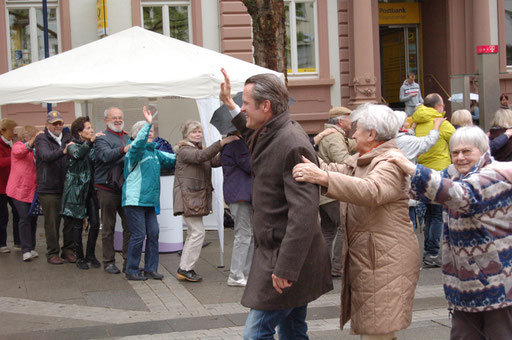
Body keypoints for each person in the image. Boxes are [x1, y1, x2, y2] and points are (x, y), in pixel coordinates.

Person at [220, 68, 333, 339]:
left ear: (266, 106)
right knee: (293, 329)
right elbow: (253, 138)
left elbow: (304, 214)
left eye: (246, 103)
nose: (243, 108)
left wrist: (286, 268)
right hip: (283, 255)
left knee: (256, 334)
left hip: (284, 259)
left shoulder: (291, 143)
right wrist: (230, 105)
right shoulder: (273, 130)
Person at [293, 103, 420, 340]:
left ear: (372, 134)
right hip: (375, 257)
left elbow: (372, 190)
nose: (352, 134)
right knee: (375, 330)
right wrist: (306, 156)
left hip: (385, 259)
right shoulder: (365, 158)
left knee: (377, 330)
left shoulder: (389, 162)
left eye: (357, 129)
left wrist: (324, 177)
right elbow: (337, 168)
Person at [388, 126, 512, 340]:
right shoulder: (454, 173)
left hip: (497, 283)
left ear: (483, 152)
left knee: (499, 335)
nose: (460, 157)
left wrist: (409, 166)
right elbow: (420, 188)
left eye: (466, 151)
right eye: (455, 152)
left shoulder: (493, 177)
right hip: (464, 284)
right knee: (462, 336)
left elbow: (460, 195)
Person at [173, 120, 237, 282]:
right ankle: (185, 268)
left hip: (194, 198)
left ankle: (185, 268)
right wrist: (221, 143)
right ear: (186, 135)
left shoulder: (197, 150)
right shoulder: (184, 150)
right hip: (188, 198)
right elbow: (202, 157)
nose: (198, 134)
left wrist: (228, 146)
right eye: (194, 132)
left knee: (193, 233)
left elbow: (214, 161)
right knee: (198, 232)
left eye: (199, 132)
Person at [123, 108, 176, 281]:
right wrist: (147, 124)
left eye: (152, 131)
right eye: (147, 131)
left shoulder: (155, 152)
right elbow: (138, 144)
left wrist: (192, 150)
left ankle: (150, 269)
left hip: (150, 201)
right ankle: (131, 269)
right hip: (135, 200)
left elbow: (173, 158)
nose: (151, 133)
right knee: (138, 235)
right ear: (137, 135)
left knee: (153, 234)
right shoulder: (134, 152)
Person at [412, 93, 455, 268]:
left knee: (429, 215)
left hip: (421, 171)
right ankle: (432, 253)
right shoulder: (441, 123)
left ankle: (428, 253)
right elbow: (457, 140)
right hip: (440, 171)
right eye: (443, 105)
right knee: (437, 215)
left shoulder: (415, 122)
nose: (444, 108)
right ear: (437, 107)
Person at [316, 106, 356, 278]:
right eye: (349, 118)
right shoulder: (334, 137)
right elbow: (343, 162)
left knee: (328, 230)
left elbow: (348, 145)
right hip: (332, 190)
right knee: (343, 227)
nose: (351, 122)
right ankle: (337, 266)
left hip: (324, 192)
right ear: (340, 121)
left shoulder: (335, 135)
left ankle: (323, 267)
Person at [61, 117, 103, 270]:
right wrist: (90, 142)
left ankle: (90, 254)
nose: (91, 131)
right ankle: (80, 257)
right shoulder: (71, 145)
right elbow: (78, 154)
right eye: (88, 128)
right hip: (77, 190)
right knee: (77, 224)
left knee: (95, 223)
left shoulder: (92, 145)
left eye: (92, 128)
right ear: (79, 132)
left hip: (91, 190)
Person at [34, 111, 75, 265]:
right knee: (52, 222)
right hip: (49, 188)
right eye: (54, 123)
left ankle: (68, 250)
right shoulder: (41, 138)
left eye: (60, 123)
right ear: (47, 125)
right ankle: (52, 252)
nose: (58, 126)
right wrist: (64, 150)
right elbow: (46, 156)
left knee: (70, 219)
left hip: (67, 186)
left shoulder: (67, 137)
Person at [94, 107, 131, 274]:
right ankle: (108, 261)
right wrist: (124, 150)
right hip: (106, 188)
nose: (117, 120)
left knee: (129, 226)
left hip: (125, 188)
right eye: (114, 117)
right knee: (108, 227)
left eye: (120, 117)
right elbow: (105, 156)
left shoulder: (127, 136)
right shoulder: (101, 138)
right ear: (106, 120)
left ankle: (129, 261)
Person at [394, 111, 444, 230]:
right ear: (400, 125)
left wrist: (412, 128)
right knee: (408, 227)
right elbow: (428, 141)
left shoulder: (391, 138)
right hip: (404, 186)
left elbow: (406, 137)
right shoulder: (406, 141)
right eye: (406, 121)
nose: (408, 122)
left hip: (393, 185)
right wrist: (436, 126)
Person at [221, 131, 254, 287]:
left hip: (242, 195)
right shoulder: (236, 144)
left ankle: (245, 273)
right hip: (240, 196)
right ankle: (236, 275)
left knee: (249, 235)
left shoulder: (236, 143)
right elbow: (250, 165)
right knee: (244, 235)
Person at [6, 126, 43, 261]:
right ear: (27, 137)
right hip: (18, 190)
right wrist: (33, 141)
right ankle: (25, 249)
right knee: (25, 218)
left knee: (33, 218)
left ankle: (31, 247)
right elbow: (20, 151)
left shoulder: (35, 150)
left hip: (32, 191)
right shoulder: (18, 145)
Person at [0, 118, 20, 253]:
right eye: (11, 130)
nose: (13, 133)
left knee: (18, 213)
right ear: (3, 131)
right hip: (1, 186)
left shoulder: (12, 142)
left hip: (12, 185)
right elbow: (1, 163)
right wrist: (14, 156)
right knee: (2, 215)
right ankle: (2, 243)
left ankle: (18, 242)